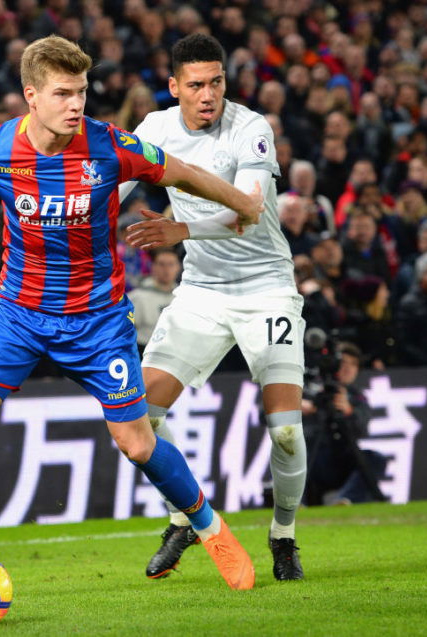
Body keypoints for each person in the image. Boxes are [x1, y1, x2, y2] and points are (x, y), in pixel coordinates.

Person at [0, 35, 264, 605]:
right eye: (63, 93)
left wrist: (244, 203)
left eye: (82, 91)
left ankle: (211, 529)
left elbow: (181, 172)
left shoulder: (112, 147)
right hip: (15, 313)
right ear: (31, 96)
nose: (76, 104)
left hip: (96, 319)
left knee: (136, 443)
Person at [119, 34, 306, 582]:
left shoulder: (249, 129)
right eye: (196, 85)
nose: (208, 95)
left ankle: (284, 535)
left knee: (287, 429)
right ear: (173, 86)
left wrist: (181, 229)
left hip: (267, 286)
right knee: (141, 416)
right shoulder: (153, 130)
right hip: (202, 290)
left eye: (216, 82)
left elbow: (246, 210)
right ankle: (182, 517)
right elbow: (114, 184)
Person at [302, 341, 387, 506]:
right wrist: (300, 405)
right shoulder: (310, 388)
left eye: (354, 365)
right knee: (292, 458)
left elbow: (363, 430)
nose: (348, 369)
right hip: (314, 458)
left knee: (375, 459)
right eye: (344, 363)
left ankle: (345, 500)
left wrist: (349, 411)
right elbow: (267, 413)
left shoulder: (356, 397)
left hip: (344, 457)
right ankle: (293, 505)